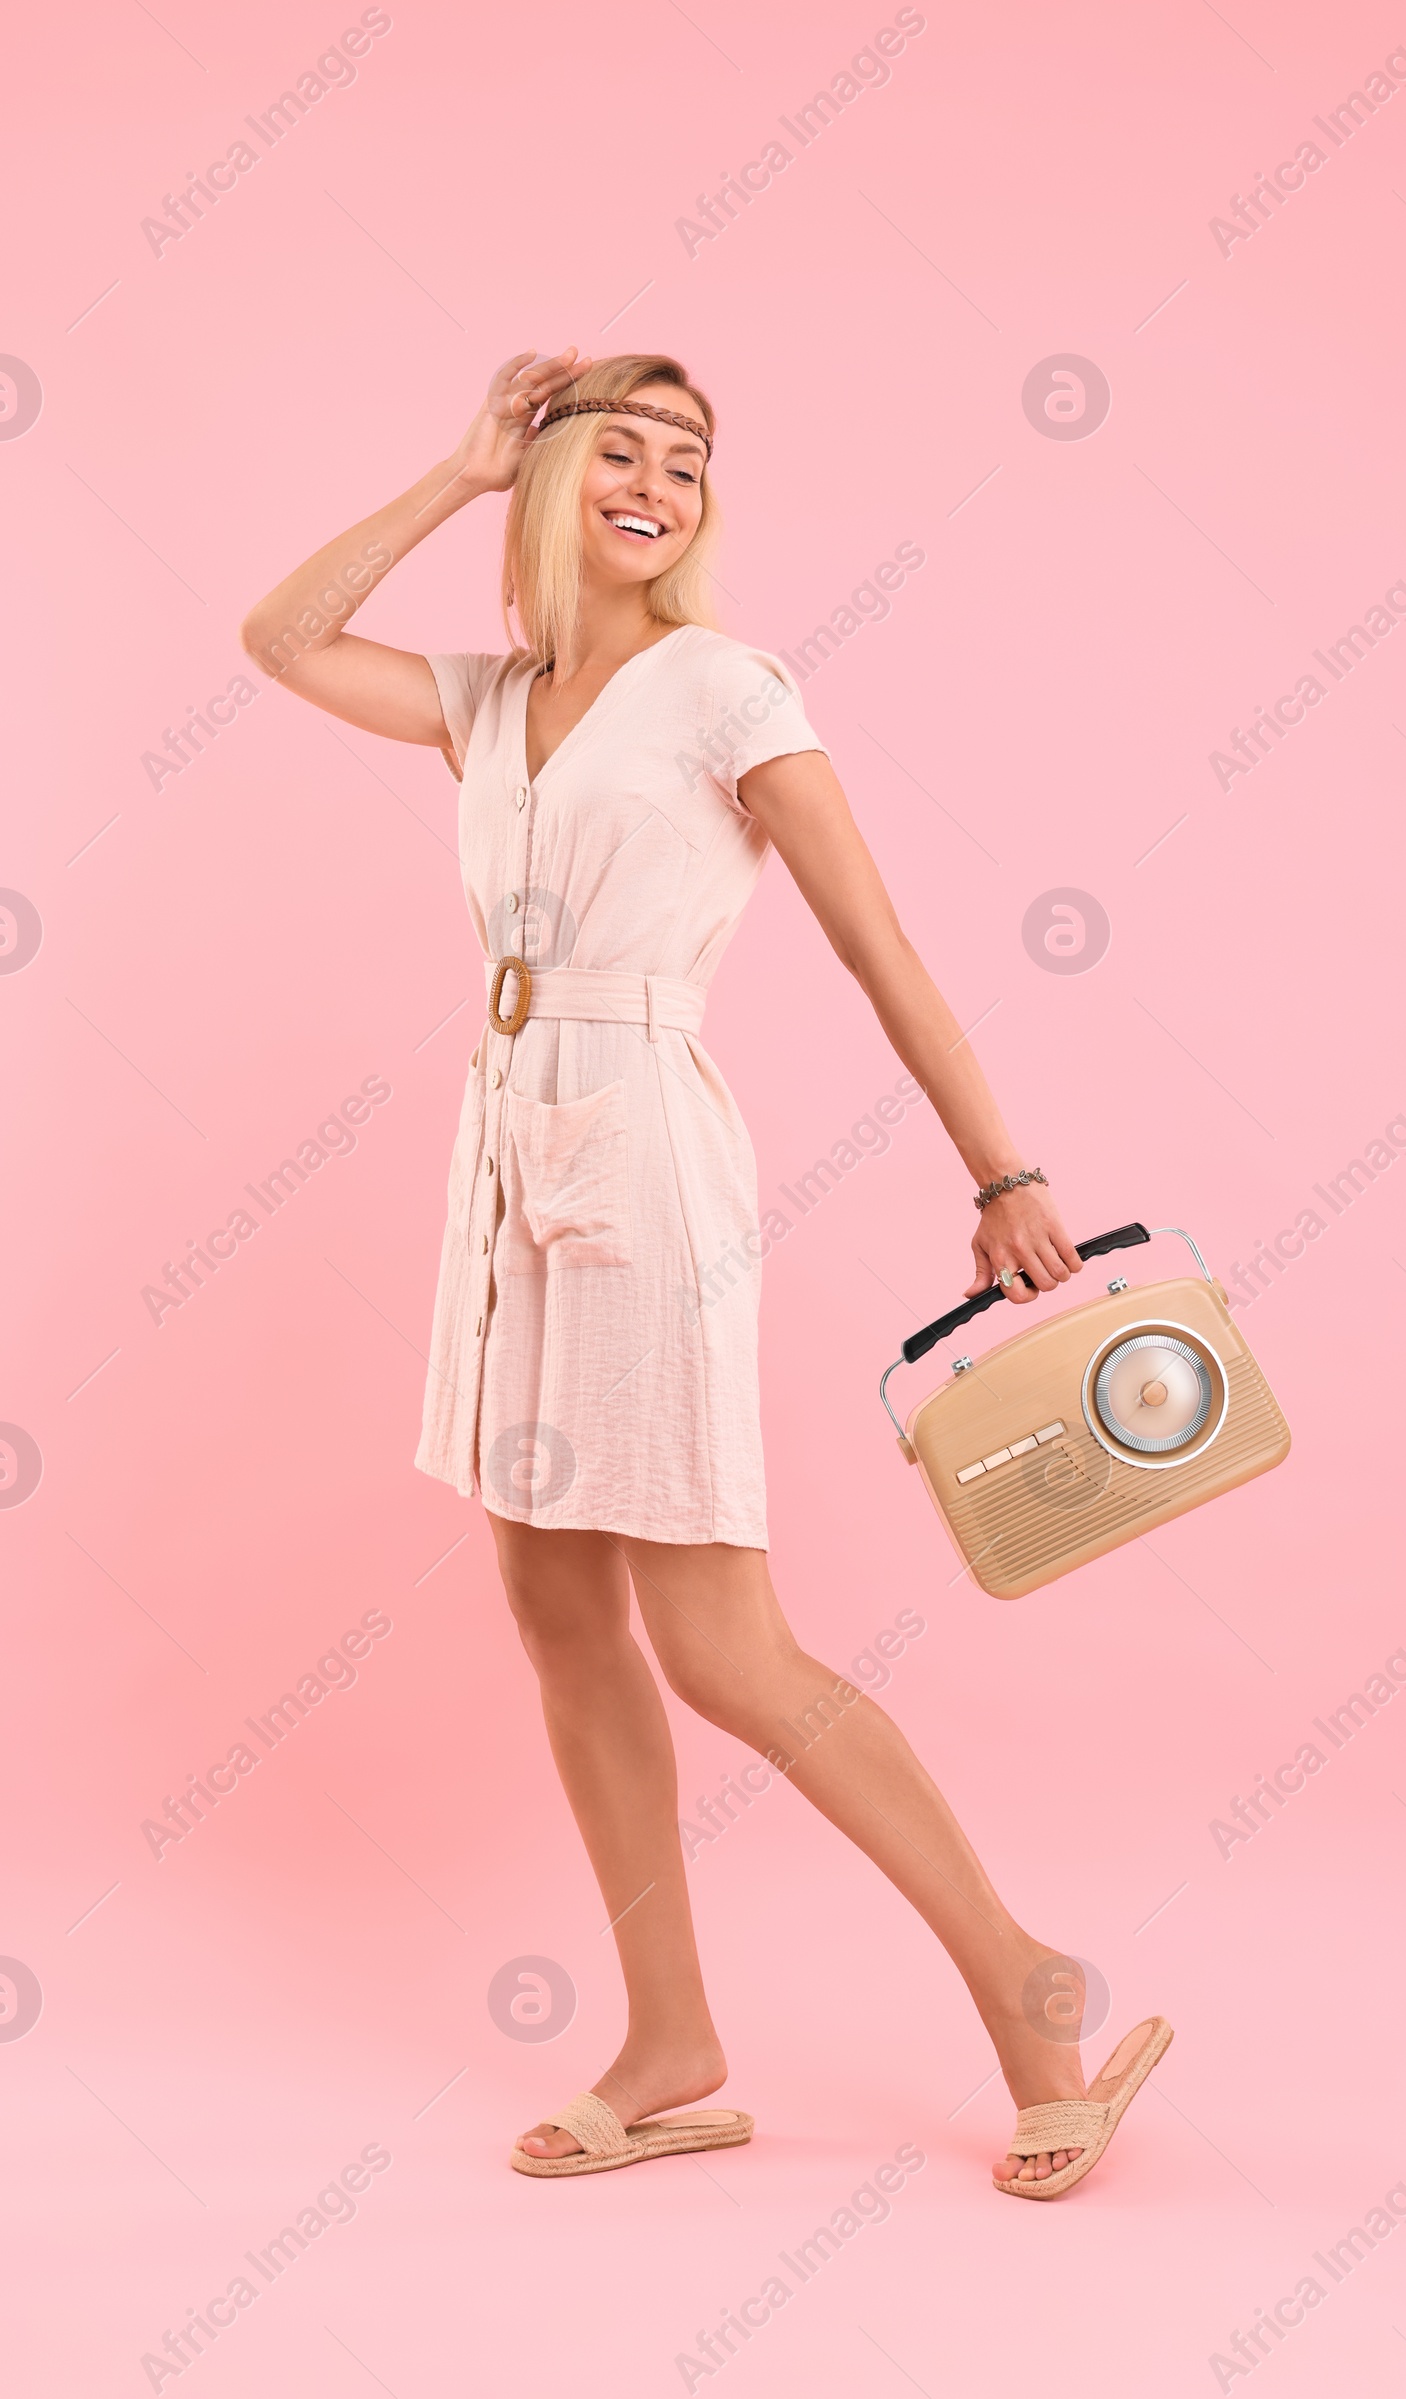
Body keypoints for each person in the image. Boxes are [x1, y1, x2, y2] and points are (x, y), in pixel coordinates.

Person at [240, 348, 1170, 2197]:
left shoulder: (725, 688)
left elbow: (871, 936)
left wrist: (1004, 1171)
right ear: (552, 471)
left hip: (644, 1151)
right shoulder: (489, 700)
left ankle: (1026, 1990)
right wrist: (452, 472)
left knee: (723, 1645)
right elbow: (279, 634)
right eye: (620, 449)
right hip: (507, 1156)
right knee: (561, 1622)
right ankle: (671, 2039)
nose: (659, 481)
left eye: (690, 458)